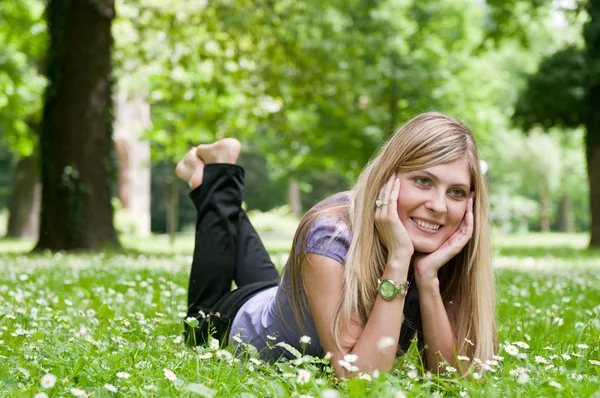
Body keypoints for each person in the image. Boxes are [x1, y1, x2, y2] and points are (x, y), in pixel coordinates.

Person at [177, 112, 497, 378]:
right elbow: (359, 379)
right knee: (197, 324)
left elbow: (452, 379)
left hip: (286, 301)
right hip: (239, 322)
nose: (439, 206)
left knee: (275, 290)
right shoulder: (330, 234)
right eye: (423, 181)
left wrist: (427, 278)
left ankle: (215, 176)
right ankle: (210, 179)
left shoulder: (444, 249)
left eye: (455, 192)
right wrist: (399, 260)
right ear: (389, 178)